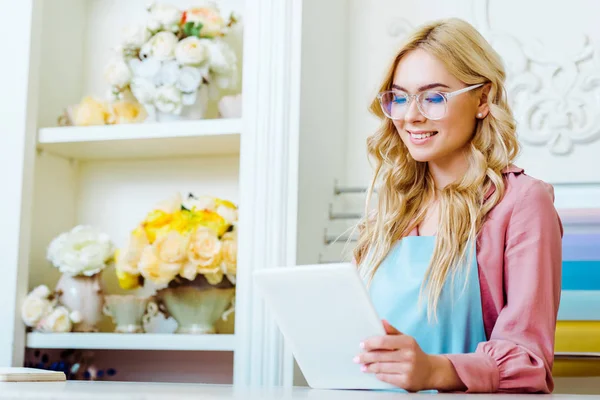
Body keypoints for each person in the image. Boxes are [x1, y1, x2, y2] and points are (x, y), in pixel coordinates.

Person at [351, 18, 563, 393]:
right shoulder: (390, 208)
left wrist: (434, 371)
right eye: (399, 97)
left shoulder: (522, 203)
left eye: (433, 97)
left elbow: (528, 360)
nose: (410, 115)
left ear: (482, 99)